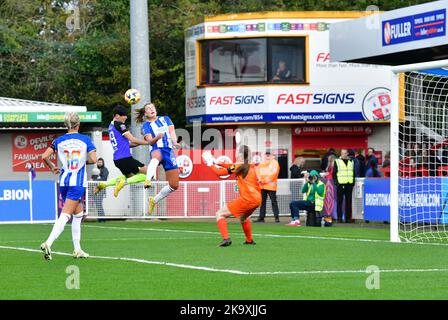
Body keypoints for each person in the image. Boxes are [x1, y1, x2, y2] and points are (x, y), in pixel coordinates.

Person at [40, 112, 97, 260]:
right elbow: (94, 159)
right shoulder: (85, 139)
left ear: (67, 125)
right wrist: (82, 161)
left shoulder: (59, 140)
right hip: (77, 182)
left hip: (64, 181)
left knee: (78, 214)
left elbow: (44, 156)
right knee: (65, 215)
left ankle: (77, 250)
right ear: (78, 124)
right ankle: (48, 243)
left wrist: (52, 167)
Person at [202, 145, 261, 247]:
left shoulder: (239, 166)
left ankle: (226, 239)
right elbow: (231, 166)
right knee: (243, 218)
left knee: (219, 214)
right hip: (257, 199)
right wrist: (216, 162)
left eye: (237, 151)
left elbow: (220, 173)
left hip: (248, 198)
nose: (235, 153)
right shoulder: (247, 164)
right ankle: (249, 240)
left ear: (240, 154)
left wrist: (209, 164)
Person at [94, 105, 150, 197]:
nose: (126, 117)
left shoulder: (111, 126)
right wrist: (149, 142)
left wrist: (142, 142)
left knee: (131, 178)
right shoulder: (120, 125)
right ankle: (123, 183)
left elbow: (127, 144)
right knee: (149, 173)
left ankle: (104, 184)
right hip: (125, 158)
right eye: (124, 115)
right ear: (117, 116)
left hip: (117, 160)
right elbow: (132, 139)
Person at [137, 102, 181, 214]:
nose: (151, 109)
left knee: (174, 185)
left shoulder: (165, 119)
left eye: (152, 107)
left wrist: (175, 142)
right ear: (145, 114)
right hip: (156, 148)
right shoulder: (145, 126)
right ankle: (148, 179)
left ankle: (154, 200)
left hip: (169, 151)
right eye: (148, 108)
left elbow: (172, 132)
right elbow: (150, 142)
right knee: (156, 156)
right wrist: (158, 137)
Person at [254, 151, 280, 223]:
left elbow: (274, 174)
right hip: (263, 186)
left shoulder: (274, 163)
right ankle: (261, 217)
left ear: (272, 155)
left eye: (268, 155)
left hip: (270, 186)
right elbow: (257, 171)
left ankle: (276, 217)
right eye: (266, 154)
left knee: (273, 202)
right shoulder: (262, 163)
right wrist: (260, 180)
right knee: (263, 202)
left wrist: (263, 180)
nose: (267, 156)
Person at [333, 149, 356, 223]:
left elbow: (353, 172)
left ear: (347, 154)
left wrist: (353, 182)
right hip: (341, 184)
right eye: (342, 153)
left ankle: (348, 218)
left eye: (345, 153)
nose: (344, 154)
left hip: (349, 184)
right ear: (341, 153)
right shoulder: (337, 161)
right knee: (340, 201)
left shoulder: (351, 161)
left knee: (348, 202)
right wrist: (337, 183)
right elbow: (334, 173)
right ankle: (339, 218)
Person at [92, 158, 108, 222]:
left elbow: (104, 178)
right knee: (97, 204)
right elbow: (93, 177)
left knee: (99, 204)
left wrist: (95, 180)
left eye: (101, 162)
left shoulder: (105, 170)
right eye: (98, 162)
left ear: (103, 163)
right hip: (95, 189)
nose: (99, 163)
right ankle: (100, 218)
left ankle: (102, 218)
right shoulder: (95, 170)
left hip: (101, 189)